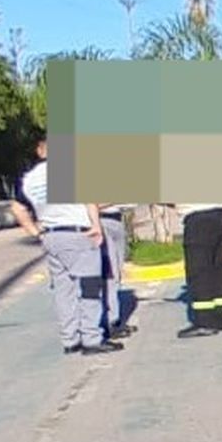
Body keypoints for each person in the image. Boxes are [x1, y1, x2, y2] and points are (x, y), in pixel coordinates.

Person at [9, 134, 122, 356]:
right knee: (90, 287)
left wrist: (35, 232)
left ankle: (70, 339)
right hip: (78, 233)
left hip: (51, 236)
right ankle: (92, 338)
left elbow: (17, 208)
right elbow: (90, 200)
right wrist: (96, 227)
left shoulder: (30, 178)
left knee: (63, 289)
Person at [177, 203, 222, 338]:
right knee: (218, 269)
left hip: (199, 218)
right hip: (220, 214)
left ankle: (205, 322)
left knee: (199, 272)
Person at [97, 203, 137, 341]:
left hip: (117, 220)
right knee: (110, 274)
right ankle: (110, 322)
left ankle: (115, 319)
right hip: (101, 221)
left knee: (117, 271)